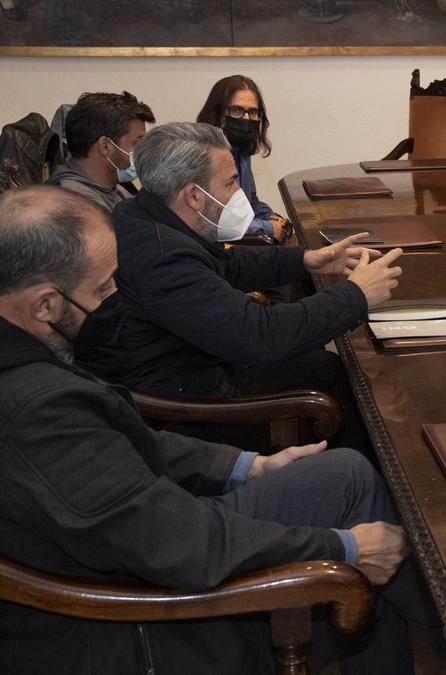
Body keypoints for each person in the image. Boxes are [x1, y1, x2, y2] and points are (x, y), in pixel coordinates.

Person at [0, 184, 417, 673]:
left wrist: (249, 467)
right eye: (104, 289)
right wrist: (343, 549)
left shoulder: (29, 362)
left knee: (346, 472)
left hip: (134, 549)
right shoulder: (35, 407)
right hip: (132, 628)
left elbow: (125, 444)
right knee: (363, 591)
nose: (118, 298)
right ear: (45, 304)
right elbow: (178, 542)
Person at [85, 122, 404, 453]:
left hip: (199, 367)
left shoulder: (146, 214)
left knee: (324, 365)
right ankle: (356, 479)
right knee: (338, 377)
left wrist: (306, 260)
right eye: (230, 182)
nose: (239, 193)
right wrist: (356, 295)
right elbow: (260, 336)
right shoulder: (163, 258)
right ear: (193, 195)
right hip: (191, 415)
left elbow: (227, 265)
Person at [196, 74, 290, 242]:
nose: (246, 119)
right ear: (217, 112)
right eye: (237, 110)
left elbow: (249, 200)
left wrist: (270, 217)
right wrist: (267, 227)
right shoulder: (203, 154)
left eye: (253, 112)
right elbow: (215, 220)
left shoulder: (241, 149)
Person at [47, 91, 155, 211]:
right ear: (105, 146)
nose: (144, 151)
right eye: (138, 143)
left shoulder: (115, 190)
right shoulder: (73, 205)